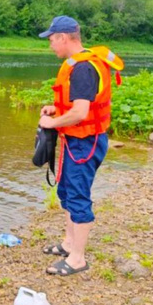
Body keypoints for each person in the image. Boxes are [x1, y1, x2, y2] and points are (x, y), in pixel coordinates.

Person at [37, 16, 122, 276]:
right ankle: (68, 244)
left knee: (77, 196)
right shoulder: (77, 65)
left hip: (85, 142)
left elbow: (81, 113)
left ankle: (77, 259)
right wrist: (56, 109)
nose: (51, 45)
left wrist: (51, 124)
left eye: (52, 40)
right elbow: (74, 106)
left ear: (64, 37)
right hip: (75, 141)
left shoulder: (84, 68)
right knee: (66, 191)